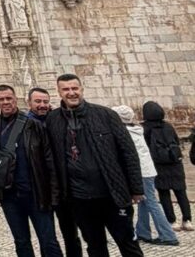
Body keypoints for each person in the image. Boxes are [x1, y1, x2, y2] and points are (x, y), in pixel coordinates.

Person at [45, 74, 143, 257]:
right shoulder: (53, 120)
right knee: (95, 246)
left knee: (128, 243)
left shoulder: (105, 115)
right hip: (79, 198)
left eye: (75, 88)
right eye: (66, 89)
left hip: (111, 193)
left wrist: (136, 188)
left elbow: (128, 152)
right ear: (58, 92)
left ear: (82, 89)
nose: (71, 93)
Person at [0, 85, 61, 257]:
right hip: (10, 196)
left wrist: (54, 194)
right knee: (21, 242)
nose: (5, 102)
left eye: (8, 98)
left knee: (48, 240)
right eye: (1, 99)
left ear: (16, 99)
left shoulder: (33, 125)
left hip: (36, 192)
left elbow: (49, 160)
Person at [27, 88, 82, 257]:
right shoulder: (24, 124)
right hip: (41, 188)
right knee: (47, 236)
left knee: (71, 233)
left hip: (65, 186)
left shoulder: (58, 120)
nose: (42, 105)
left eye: (45, 101)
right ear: (29, 103)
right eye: (37, 102)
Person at [113, 105, 178, 246]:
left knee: (151, 202)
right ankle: (143, 231)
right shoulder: (137, 130)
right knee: (143, 201)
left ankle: (168, 235)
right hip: (147, 170)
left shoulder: (126, 132)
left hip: (141, 172)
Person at [142, 100, 192, 231]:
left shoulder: (146, 129)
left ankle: (172, 221)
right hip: (175, 163)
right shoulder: (168, 126)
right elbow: (176, 141)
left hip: (158, 165)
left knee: (164, 194)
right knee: (181, 192)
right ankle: (187, 220)